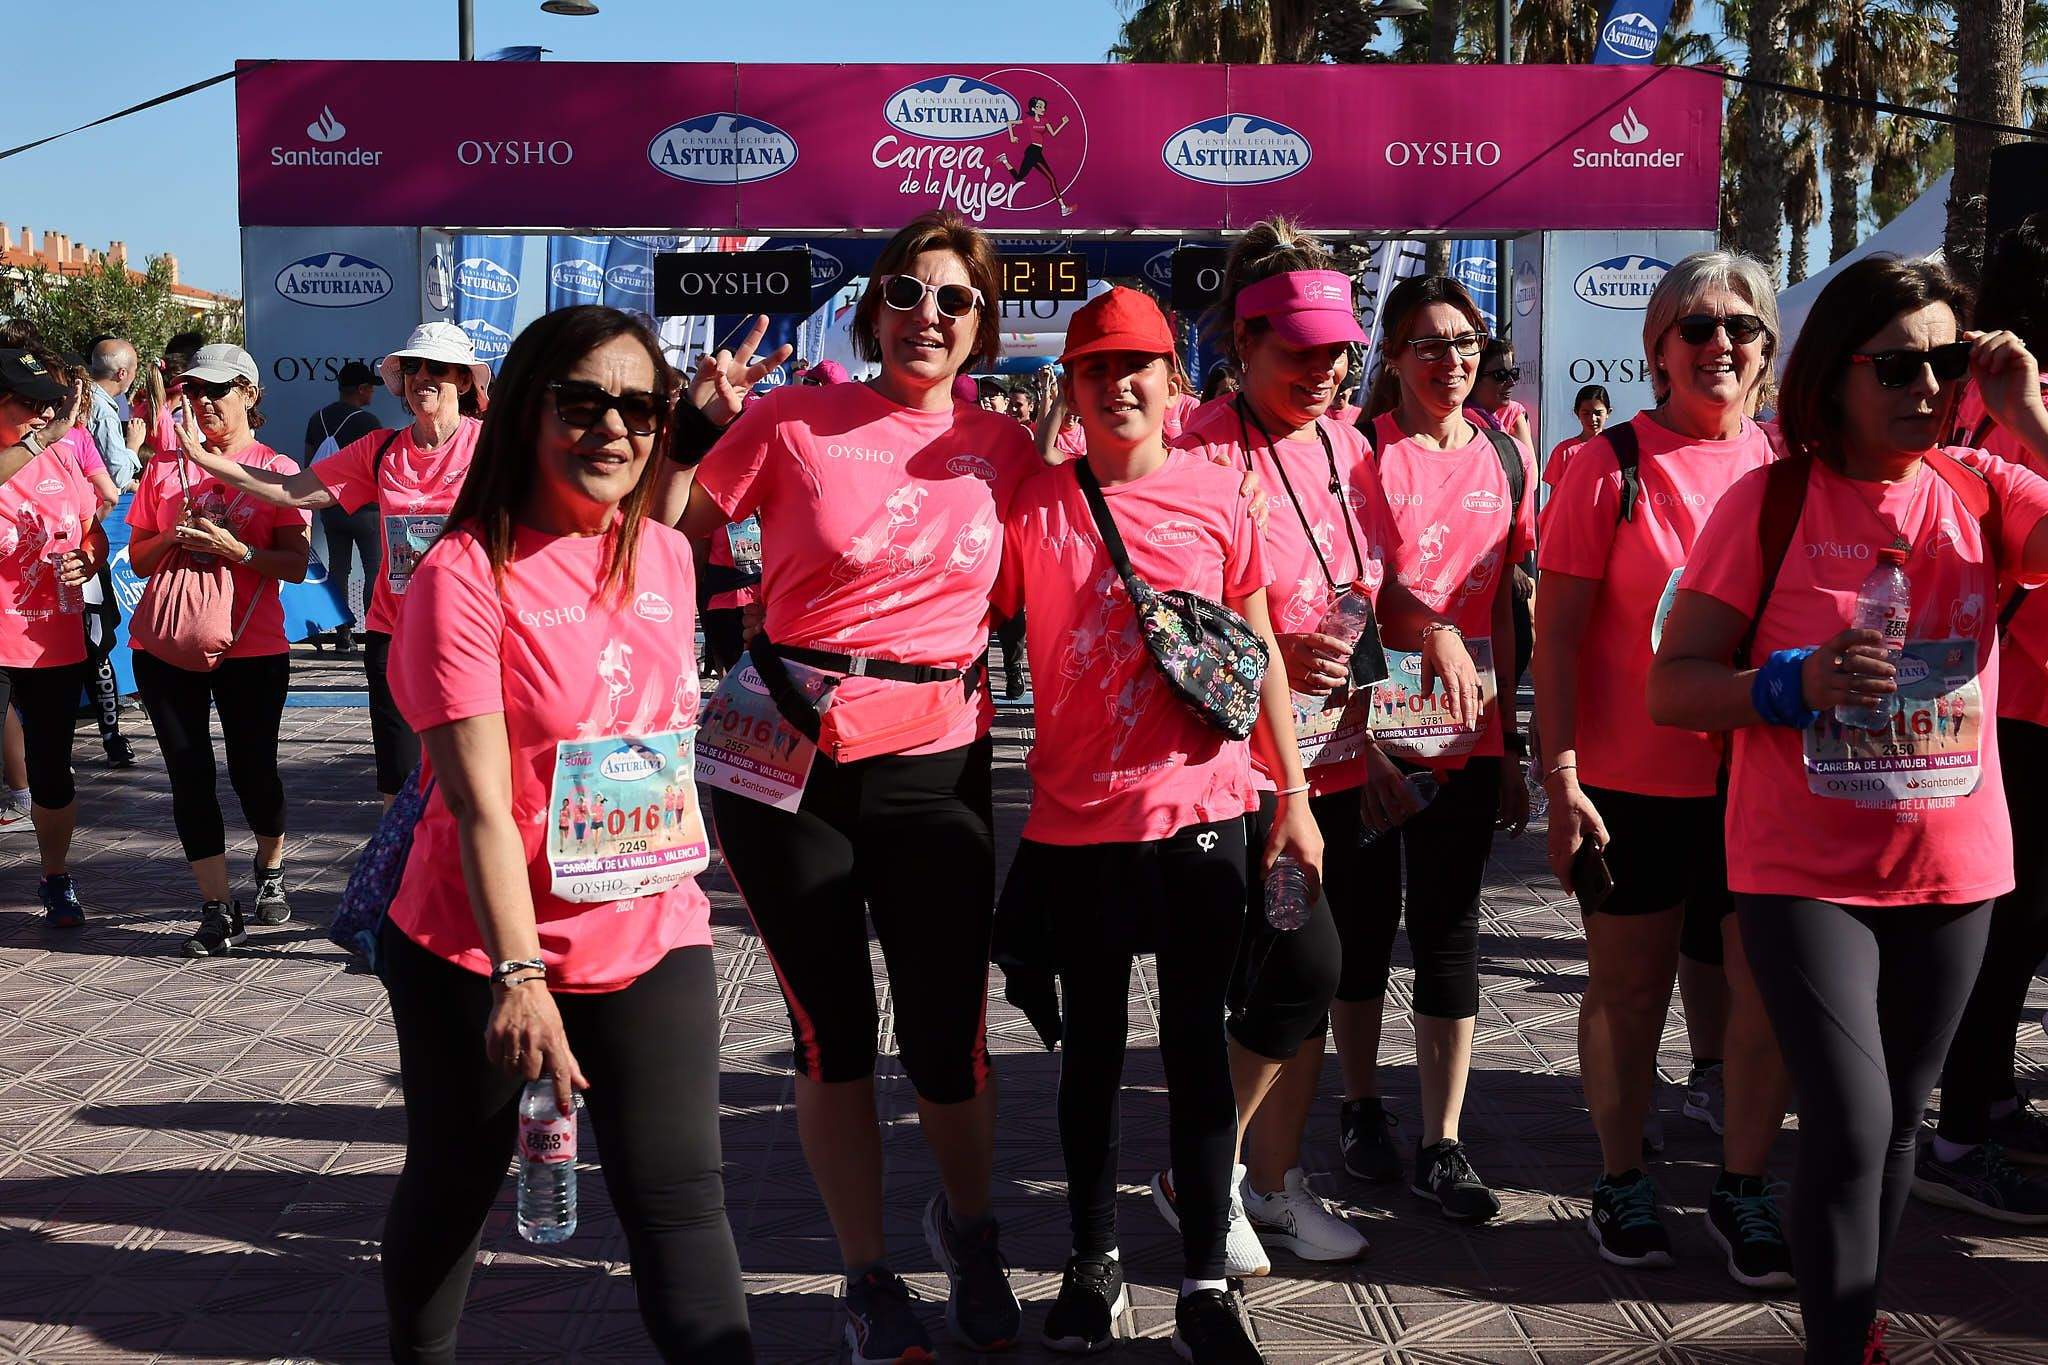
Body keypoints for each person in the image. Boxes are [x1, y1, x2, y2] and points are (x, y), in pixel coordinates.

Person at [1648, 253, 2048, 1365]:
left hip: (1955, 869)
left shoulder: (1981, 485)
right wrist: (1791, 684)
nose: (1924, 386)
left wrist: (2025, 413)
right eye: (1894, 364)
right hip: (1800, 872)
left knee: (1901, 1124)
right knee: (1852, 1119)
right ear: (1831, 375)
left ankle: (1853, 1328)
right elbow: (1671, 683)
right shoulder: (1767, 500)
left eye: (1942, 363)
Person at [660, 212, 1037, 1364]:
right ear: (873, 306)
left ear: (980, 325)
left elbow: (1065, 588)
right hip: (785, 760)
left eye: (954, 300)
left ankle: (970, 1234)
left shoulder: (1006, 453)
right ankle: (867, 1276)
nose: (928, 316)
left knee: (946, 1035)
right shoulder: (790, 418)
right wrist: (687, 418)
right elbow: (666, 519)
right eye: (907, 292)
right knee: (832, 1032)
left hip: (934, 761)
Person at [377, 305, 751, 1364]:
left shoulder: (668, 560)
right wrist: (519, 971)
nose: (612, 428)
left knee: (682, 1199)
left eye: (638, 406)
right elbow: (484, 805)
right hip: (481, 945)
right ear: (527, 410)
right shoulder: (461, 574)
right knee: (456, 1181)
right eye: (582, 402)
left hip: (651, 926)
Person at [995, 285, 1319, 1362]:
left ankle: (1199, 1281)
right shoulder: (1032, 506)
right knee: (1089, 1053)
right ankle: (1093, 1265)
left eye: (1137, 365)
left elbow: (1260, 644)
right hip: (1075, 822)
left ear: (1171, 379)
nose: (1118, 384)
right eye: (1096, 369)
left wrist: (1295, 800)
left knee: (1191, 1048)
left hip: (1201, 815)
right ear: (1072, 389)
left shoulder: (1218, 494)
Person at [1169, 227, 1484, 1272]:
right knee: (1286, 973)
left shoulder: (1347, 444)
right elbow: (1164, 613)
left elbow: (1366, 591)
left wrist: (1427, 628)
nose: (1322, 371)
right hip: (1240, 773)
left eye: (1334, 351)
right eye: (1296, 351)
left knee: (1306, 989)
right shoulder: (1198, 448)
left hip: (1342, 761)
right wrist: (1249, 640)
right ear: (1241, 344)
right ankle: (1198, 1169)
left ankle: (1268, 1183)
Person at [1536, 251, 1794, 1285]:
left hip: (1759, 781)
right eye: (1695, 328)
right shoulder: (1605, 467)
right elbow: (1553, 639)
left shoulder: (1785, 466)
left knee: (1757, 995)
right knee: (1628, 991)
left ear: (1766, 353)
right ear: (1655, 351)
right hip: (1629, 785)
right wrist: (1557, 774)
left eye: (1741, 327)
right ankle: (1619, 1179)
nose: (1718, 343)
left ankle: (1739, 1188)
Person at [1329, 273, 1533, 1221]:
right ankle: (1361, 1106)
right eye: (1429, 344)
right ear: (1396, 358)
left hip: (1469, 733)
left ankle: (1441, 1141)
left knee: (1450, 938)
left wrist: (1514, 741)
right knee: (1363, 932)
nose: (1451, 360)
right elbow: (1340, 597)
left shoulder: (1505, 456)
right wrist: (1357, 738)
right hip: (1370, 737)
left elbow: (1509, 605)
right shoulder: (1362, 454)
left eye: (1465, 342)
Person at [177, 323, 487, 804]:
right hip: (395, 632)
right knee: (398, 783)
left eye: (438, 368)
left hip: (471, 635)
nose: (423, 377)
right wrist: (206, 460)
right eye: (412, 367)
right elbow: (292, 490)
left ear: (463, 380)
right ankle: (398, 877)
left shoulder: (492, 450)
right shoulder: (382, 448)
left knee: (474, 782)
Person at [1912, 215, 2048, 1222]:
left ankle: (1983, 1101)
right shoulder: (2003, 408)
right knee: (2005, 928)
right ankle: (1957, 1131)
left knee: (2005, 925)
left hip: (1997, 702)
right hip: (2018, 705)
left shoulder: (1976, 400)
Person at [126, 345, 310, 956]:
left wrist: (242, 552)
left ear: (249, 396)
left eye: (220, 390)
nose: (204, 402)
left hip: (252, 646)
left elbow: (296, 563)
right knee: (189, 772)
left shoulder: (276, 469)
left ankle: (271, 864)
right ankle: (216, 905)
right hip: (170, 643)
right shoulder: (166, 468)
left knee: (252, 769)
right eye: (195, 390)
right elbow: (138, 556)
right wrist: (172, 536)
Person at [0, 348, 103, 926]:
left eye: (49, 404)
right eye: (30, 403)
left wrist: (89, 558)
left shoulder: (63, 457)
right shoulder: (35, 447)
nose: (42, 415)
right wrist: (39, 440)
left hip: (52, 640)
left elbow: (92, 530)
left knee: (52, 769)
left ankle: (55, 876)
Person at [304, 361, 385, 655]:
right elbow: (379, 469)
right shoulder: (369, 422)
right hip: (367, 510)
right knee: (374, 568)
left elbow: (309, 462)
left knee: (339, 567)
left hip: (332, 506)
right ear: (362, 389)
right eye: (371, 388)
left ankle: (343, 633)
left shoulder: (318, 419)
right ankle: (375, 632)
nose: (373, 394)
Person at [997, 94, 1076, 217]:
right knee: (1051, 178)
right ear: (1033, 109)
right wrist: (1012, 136)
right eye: (1039, 106)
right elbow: (1009, 122)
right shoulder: (1029, 120)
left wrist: (1063, 123)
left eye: (1043, 107)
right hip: (1032, 151)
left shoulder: (1045, 121)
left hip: (1037, 152)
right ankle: (1063, 207)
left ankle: (1004, 160)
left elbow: (1053, 133)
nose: (1042, 108)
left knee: (1019, 178)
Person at [1544, 383, 1612, 501]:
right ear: (1577, 413)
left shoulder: (1616, 447)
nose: (1592, 419)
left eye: (1598, 413)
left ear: (1608, 413)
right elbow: (1555, 498)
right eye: (1586, 413)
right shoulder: (1564, 451)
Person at [1469, 339, 1532, 448]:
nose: (1511, 382)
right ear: (1475, 377)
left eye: (1514, 373)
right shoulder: (1470, 424)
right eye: (1500, 375)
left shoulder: (1489, 419)